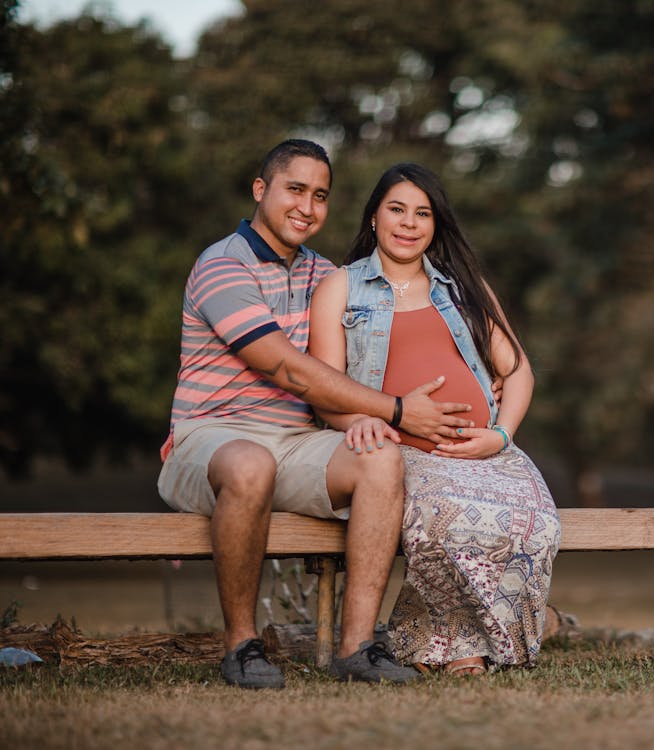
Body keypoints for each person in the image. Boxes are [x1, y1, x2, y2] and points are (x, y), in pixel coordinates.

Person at [157, 140, 476, 689]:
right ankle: (241, 645)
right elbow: (287, 370)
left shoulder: (328, 277)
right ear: (261, 191)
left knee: (380, 457)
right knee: (251, 464)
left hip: (299, 442)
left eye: (320, 195)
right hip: (210, 437)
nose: (307, 206)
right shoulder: (221, 264)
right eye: (295, 190)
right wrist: (399, 410)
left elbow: (371, 356)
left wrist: (393, 415)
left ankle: (357, 647)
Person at [308, 163, 560, 676]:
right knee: (448, 522)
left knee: (538, 525)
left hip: (485, 449)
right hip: (403, 450)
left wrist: (501, 435)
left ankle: (446, 645)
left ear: (436, 225)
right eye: (396, 209)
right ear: (374, 217)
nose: (408, 223)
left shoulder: (464, 286)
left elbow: (518, 370)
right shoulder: (341, 287)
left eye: (423, 213)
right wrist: (358, 419)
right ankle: (458, 649)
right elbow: (322, 388)